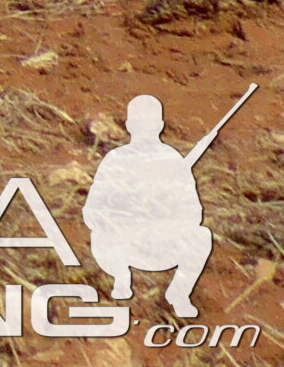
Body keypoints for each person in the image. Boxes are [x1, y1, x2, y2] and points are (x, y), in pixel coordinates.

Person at [83, 96, 217, 317]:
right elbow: (92, 210)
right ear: (129, 126)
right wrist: (123, 209)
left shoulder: (172, 160)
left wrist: (165, 209)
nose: (145, 128)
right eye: (139, 123)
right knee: (100, 234)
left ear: (160, 126)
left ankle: (179, 293)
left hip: (161, 241)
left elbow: (194, 213)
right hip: (123, 242)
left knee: (201, 236)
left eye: (150, 123)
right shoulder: (115, 159)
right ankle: (120, 279)